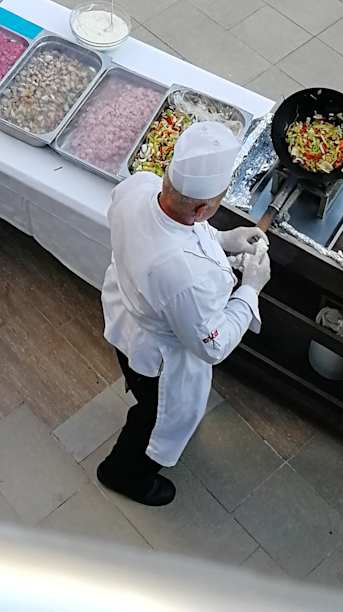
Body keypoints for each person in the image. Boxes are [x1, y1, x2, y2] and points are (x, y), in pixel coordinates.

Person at [97, 122, 270, 507]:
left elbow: (180, 229)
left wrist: (223, 240)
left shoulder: (139, 185)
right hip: (157, 357)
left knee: (146, 399)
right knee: (152, 415)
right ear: (202, 208)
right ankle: (122, 473)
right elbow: (212, 345)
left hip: (126, 316)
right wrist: (251, 289)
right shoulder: (182, 278)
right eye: (216, 204)